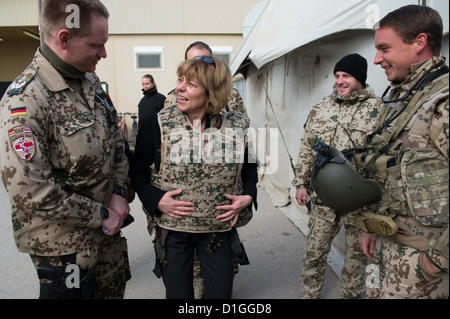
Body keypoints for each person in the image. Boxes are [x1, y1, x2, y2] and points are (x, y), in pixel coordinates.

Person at [0, 0, 131, 299]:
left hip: (107, 238)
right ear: (64, 38)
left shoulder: (89, 81)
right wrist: (102, 214)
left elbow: (116, 143)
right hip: (64, 250)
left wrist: (119, 193)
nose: (104, 53)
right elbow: (29, 189)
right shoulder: (26, 100)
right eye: (96, 45)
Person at [130, 56, 258, 299]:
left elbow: (250, 168)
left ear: (211, 94)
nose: (179, 87)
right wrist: (156, 200)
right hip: (174, 231)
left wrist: (248, 196)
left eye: (191, 84)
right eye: (180, 80)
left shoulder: (237, 127)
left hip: (217, 232)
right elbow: (137, 173)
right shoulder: (156, 124)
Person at [357, 5, 448, 299]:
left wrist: (437, 260)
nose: (377, 59)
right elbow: (384, 167)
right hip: (386, 243)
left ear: (419, 42)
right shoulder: (402, 97)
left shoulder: (441, 104)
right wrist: (370, 224)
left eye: (385, 48)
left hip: (422, 261)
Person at [291, 54, 384, 298]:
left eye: (347, 76)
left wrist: (377, 210)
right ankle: (308, 294)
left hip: (358, 202)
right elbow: (306, 148)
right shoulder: (321, 108)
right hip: (323, 200)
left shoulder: (378, 111)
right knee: (314, 253)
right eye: (337, 76)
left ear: (360, 79)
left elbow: (384, 162)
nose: (340, 81)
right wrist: (300, 184)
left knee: (357, 260)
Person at [164, 41, 246, 114]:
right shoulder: (173, 97)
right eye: (192, 62)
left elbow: (241, 125)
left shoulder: (231, 95)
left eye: (204, 61)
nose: (198, 67)